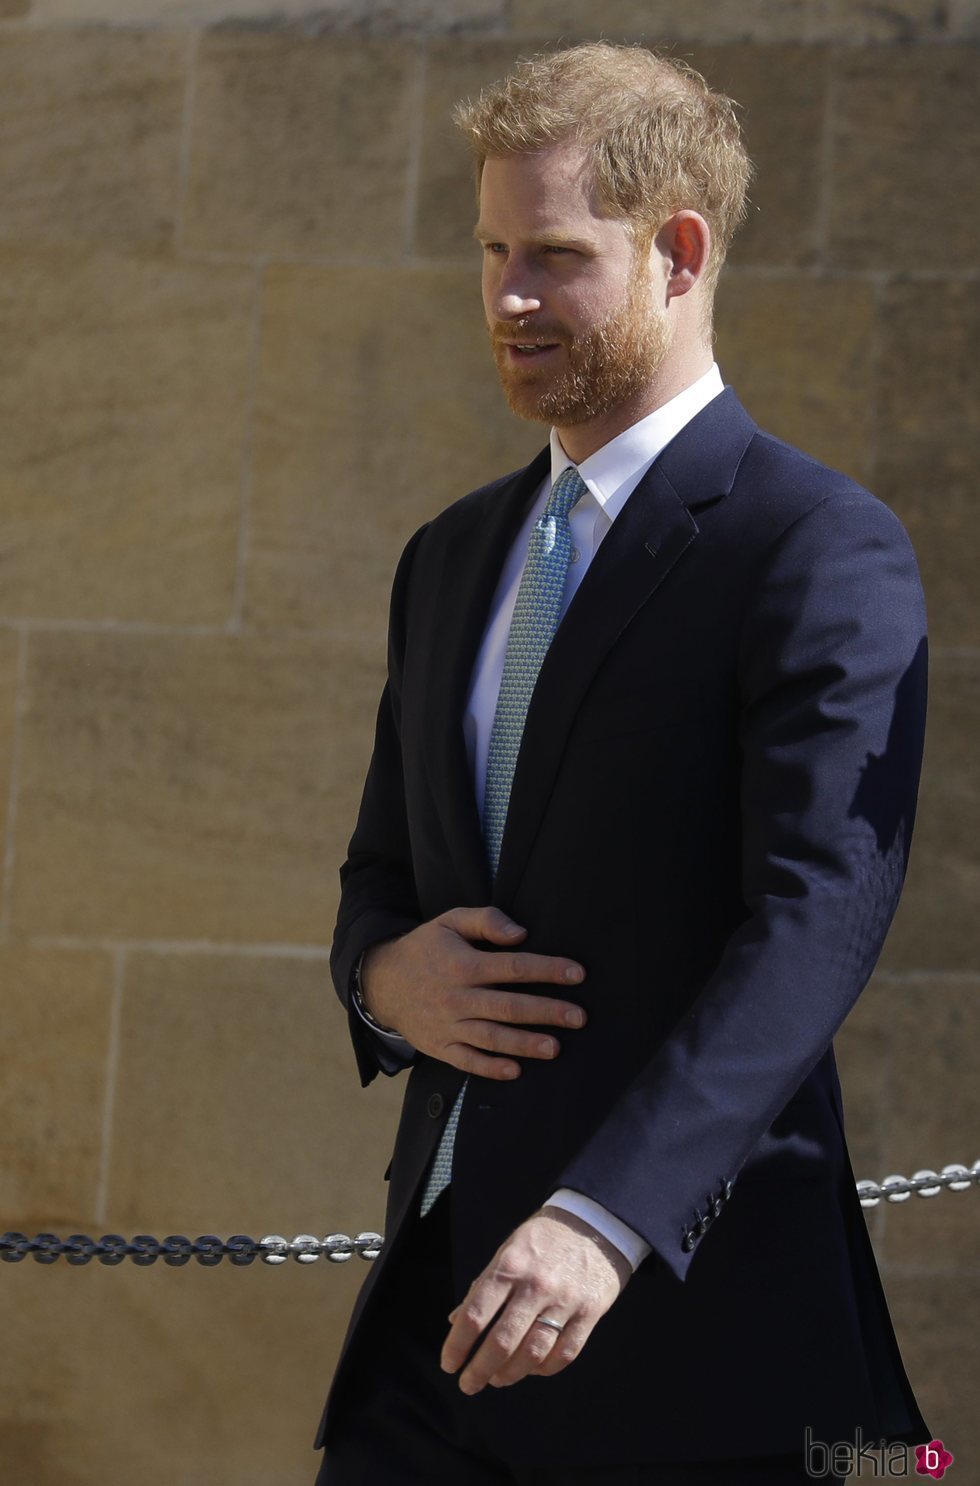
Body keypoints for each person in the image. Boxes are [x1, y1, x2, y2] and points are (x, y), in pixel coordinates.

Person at [313, 41, 929, 1485]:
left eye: (554, 255)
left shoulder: (815, 547)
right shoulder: (451, 557)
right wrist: (378, 980)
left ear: (680, 253)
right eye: (489, 251)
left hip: (686, 1337)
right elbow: (380, 874)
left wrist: (605, 1214)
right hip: (431, 1327)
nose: (508, 297)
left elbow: (814, 924)